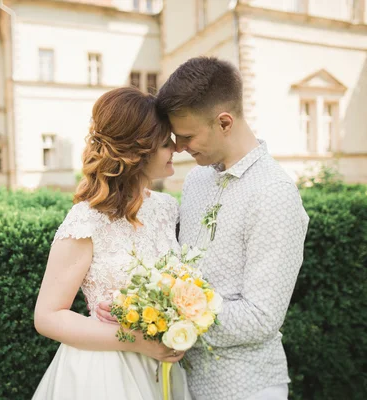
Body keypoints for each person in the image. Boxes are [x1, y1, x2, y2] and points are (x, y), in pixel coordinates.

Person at [97, 57, 309, 400]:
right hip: (180, 384)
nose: (178, 148)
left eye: (187, 136)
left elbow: (261, 317)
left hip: (247, 387)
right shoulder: (195, 180)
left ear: (224, 122)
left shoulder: (274, 194)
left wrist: (160, 315)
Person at [32, 87, 191, 400]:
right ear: (137, 153)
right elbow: (48, 316)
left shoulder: (167, 208)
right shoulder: (86, 220)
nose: (176, 148)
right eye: (164, 142)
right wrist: (138, 341)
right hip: (104, 372)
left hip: (162, 369)